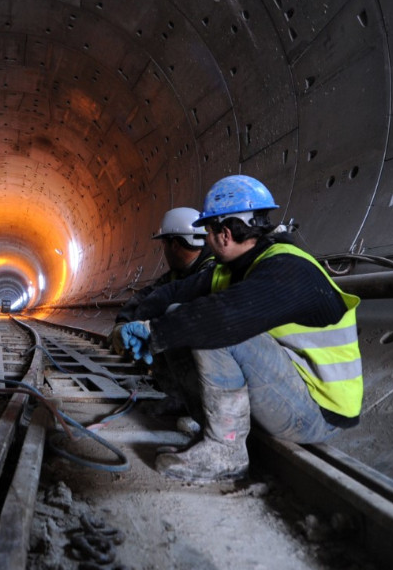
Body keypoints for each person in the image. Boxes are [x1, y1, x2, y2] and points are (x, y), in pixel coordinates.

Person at [118, 175, 362, 484]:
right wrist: (137, 323)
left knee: (209, 327)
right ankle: (211, 431)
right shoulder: (235, 268)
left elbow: (222, 319)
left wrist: (157, 332)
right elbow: (172, 294)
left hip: (317, 413)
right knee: (180, 315)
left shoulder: (288, 268)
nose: (206, 240)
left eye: (208, 231)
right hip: (286, 395)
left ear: (224, 233)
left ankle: (226, 451)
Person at [114, 207, 215, 324]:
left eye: (164, 244)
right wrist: (123, 320)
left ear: (175, 245)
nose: (164, 250)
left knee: (173, 309)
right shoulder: (179, 273)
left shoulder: (210, 268)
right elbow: (149, 294)